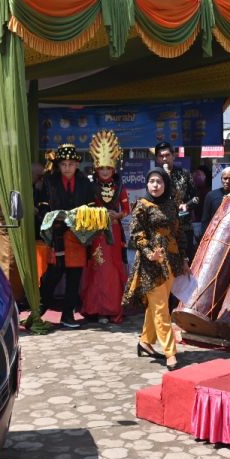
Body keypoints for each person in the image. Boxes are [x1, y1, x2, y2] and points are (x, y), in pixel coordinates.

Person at [124, 170, 186, 369]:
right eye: (151, 181)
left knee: (156, 305)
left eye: (159, 181)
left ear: (165, 184)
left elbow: (178, 232)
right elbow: (136, 234)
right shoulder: (142, 205)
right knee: (161, 308)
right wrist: (150, 253)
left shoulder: (170, 205)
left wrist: (183, 259)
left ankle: (145, 342)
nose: (155, 185)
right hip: (151, 263)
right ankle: (170, 352)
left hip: (171, 260)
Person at [37, 144, 97, 328]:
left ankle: (67, 316)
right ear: (59, 165)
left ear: (77, 164)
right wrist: (53, 220)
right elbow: (42, 207)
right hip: (57, 235)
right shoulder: (49, 181)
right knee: (53, 274)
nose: (67, 168)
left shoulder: (85, 183)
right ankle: (38, 310)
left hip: (78, 236)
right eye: (64, 164)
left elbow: (92, 208)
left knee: (74, 277)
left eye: (71, 164)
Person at [80, 130, 130, 324]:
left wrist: (117, 215)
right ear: (96, 168)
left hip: (114, 233)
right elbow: (86, 208)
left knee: (112, 270)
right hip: (97, 233)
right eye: (102, 168)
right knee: (97, 269)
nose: (105, 171)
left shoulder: (120, 187)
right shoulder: (91, 187)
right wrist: (98, 215)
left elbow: (126, 209)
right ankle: (97, 308)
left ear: (114, 168)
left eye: (108, 167)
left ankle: (113, 308)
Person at [155, 141, 197, 258]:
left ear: (173, 156)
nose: (164, 159)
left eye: (167, 155)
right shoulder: (154, 177)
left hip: (183, 227)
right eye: (161, 156)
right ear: (157, 159)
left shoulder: (184, 174)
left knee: (186, 264)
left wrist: (186, 205)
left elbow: (196, 198)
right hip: (162, 229)